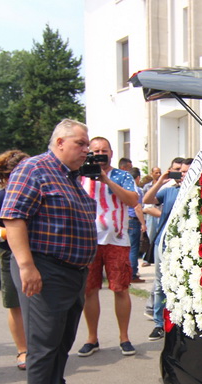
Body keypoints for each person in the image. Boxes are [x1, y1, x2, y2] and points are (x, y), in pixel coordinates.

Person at [0, 118, 97, 384]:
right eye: (80, 143)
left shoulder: (69, 176)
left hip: (71, 272)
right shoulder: (34, 169)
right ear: (60, 142)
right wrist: (27, 266)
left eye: (87, 144)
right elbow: (13, 217)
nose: (86, 150)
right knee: (44, 342)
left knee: (62, 339)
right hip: (45, 269)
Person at [76, 137, 139, 358]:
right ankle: (91, 338)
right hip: (88, 240)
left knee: (120, 288)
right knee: (89, 290)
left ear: (111, 153)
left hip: (117, 239)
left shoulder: (122, 176)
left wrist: (105, 180)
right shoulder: (79, 175)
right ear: (89, 153)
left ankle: (124, 337)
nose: (100, 155)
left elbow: (133, 201)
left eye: (104, 150)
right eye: (95, 151)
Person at [0, 150, 30, 370]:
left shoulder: (37, 194)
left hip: (39, 254)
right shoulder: (0, 198)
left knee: (39, 304)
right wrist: (6, 232)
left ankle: (41, 349)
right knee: (15, 304)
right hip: (10, 254)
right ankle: (23, 350)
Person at [147, 158, 191, 342]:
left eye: (187, 171)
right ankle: (159, 323)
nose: (183, 174)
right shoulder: (170, 190)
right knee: (160, 284)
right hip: (163, 243)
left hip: (184, 245)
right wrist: (161, 180)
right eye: (181, 171)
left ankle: (178, 322)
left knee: (181, 284)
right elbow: (147, 200)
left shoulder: (196, 192)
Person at [127, 167, 146, 283]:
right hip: (134, 220)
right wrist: (143, 223)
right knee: (134, 248)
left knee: (127, 248)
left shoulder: (124, 188)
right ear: (138, 178)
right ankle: (133, 274)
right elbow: (138, 208)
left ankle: (127, 273)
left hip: (125, 220)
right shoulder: (136, 190)